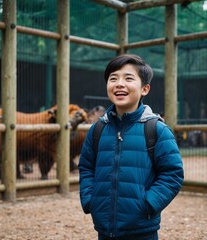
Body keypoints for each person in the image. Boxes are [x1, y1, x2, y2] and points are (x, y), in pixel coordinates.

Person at [79, 54, 184, 239]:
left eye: (128, 78)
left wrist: (148, 204)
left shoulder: (157, 130)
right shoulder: (98, 129)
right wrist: (90, 200)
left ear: (145, 89)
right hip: (104, 229)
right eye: (113, 78)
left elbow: (172, 174)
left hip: (142, 229)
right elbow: (87, 167)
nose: (119, 84)